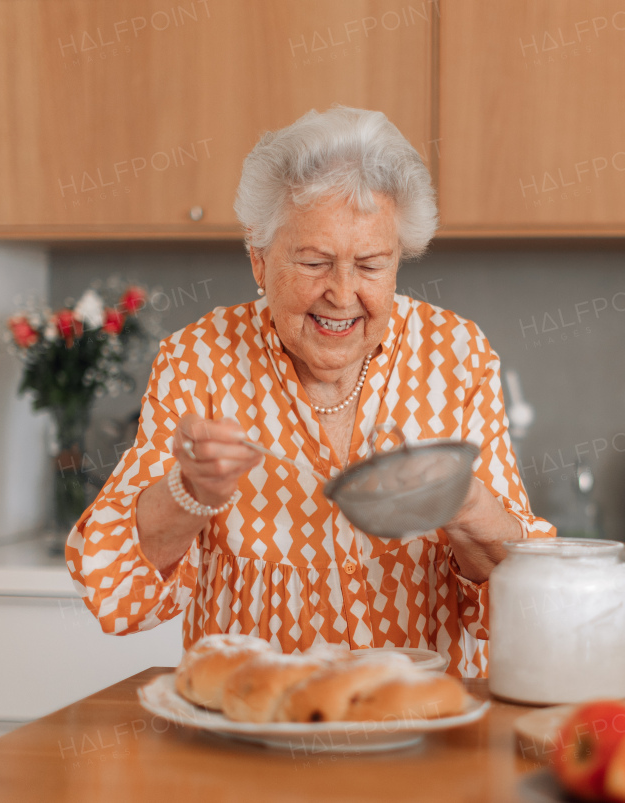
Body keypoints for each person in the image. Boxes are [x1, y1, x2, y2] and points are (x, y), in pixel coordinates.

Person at [66, 107, 554, 676]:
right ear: (260, 259)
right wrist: (188, 488)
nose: (342, 295)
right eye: (315, 262)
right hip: (251, 730)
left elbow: (527, 606)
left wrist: (462, 499)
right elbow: (116, 594)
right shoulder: (199, 359)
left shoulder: (455, 355)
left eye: (370, 264)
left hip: (417, 736)